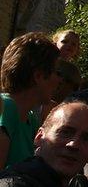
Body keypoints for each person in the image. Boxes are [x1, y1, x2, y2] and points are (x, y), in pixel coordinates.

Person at [0, 33, 61, 168]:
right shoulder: (7, 108)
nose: (59, 80)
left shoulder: (31, 119)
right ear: (38, 76)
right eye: (56, 72)